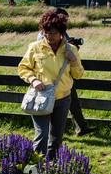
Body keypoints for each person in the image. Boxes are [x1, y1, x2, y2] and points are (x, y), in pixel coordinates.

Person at [19, 11, 85, 158]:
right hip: (40, 98)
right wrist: (33, 80)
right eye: (46, 32)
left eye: (54, 33)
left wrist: (73, 60)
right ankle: (36, 167)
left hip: (62, 100)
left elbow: (78, 75)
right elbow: (23, 68)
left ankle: (51, 168)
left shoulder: (70, 49)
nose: (49, 36)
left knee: (56, 138)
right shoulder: (35, 47)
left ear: (62, 32)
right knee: (41, 134)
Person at [37, 7, 98, 137]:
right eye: (64, 19)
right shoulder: (44, 33)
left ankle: (80, 127)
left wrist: (73, 49)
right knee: (51, 106)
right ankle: (49, 133)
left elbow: (68, 54)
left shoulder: (63, 31)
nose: (65, 22)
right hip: (51, 79)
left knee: (73, 101)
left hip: (65, 75)